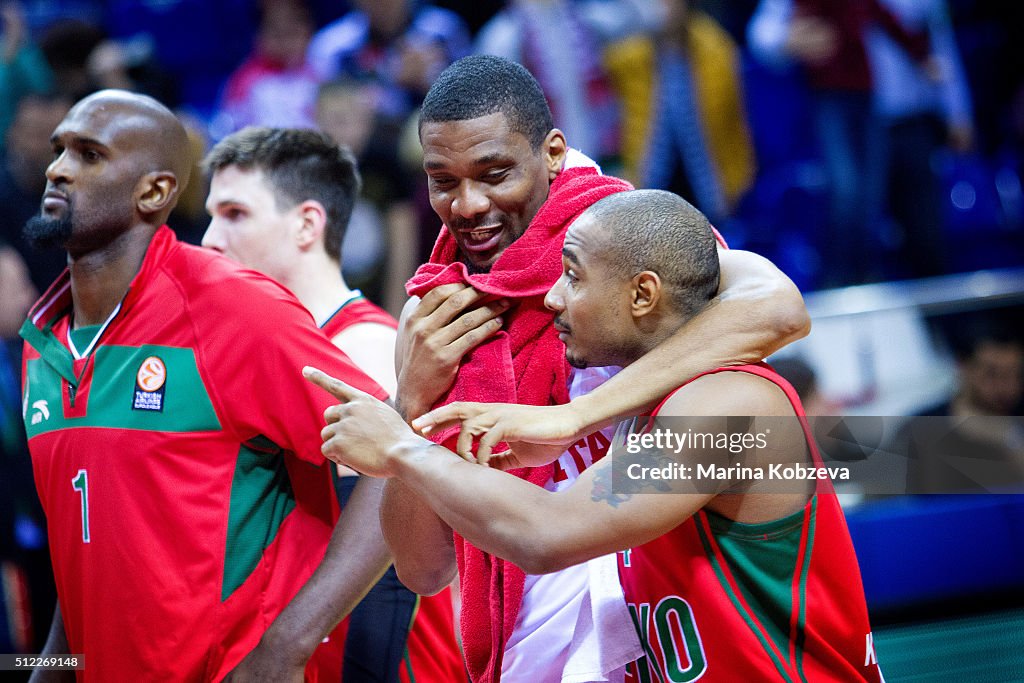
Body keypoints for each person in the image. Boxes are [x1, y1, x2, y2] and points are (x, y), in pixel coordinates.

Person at [305, 189, 884, 682]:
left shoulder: (729, 408)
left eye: (573, 276)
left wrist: (401, 447)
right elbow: (435, 565)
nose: (553, 296)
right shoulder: (643, 403)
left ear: (642, 294)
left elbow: (549, 533)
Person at [379, 55, 811, 682]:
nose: (468, 204)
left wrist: (572, 419)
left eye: (495, 174)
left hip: (697, 635)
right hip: (536, 655)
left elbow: (777, 308)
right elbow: (421, 570)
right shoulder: (434, 316)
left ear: (553, 153)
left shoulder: (637, 246)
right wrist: (411, 404)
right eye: (442, 181)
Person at [18, 89, 391, 682]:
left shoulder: (233, 308)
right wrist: (50, 669)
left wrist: (287, 645)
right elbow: (91, 541)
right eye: (60, 150)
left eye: (89, 155)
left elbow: (399, 459)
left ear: (156, 192)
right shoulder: (43, 342)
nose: (58, 168)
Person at [201, 125, 464, 682]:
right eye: (211, 214)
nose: (209, 240)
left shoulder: (366, 349)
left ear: (306, 224)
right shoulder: (273, 348)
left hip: (388, 662)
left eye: (235, 214)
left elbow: (390, 567)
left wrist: (284, 649)